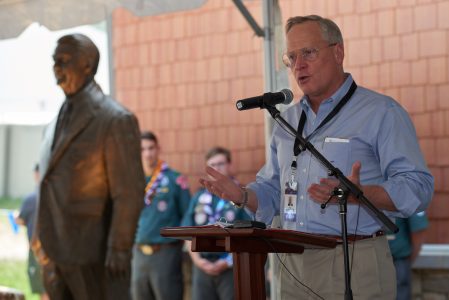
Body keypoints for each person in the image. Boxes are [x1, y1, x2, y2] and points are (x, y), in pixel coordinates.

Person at [200, 15, 434, 299]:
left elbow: (418, 187)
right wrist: (242, 195)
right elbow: (273, 189)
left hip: (353, 261)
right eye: (292, 57)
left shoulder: (381, 113)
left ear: (338, 52)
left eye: (309, 52)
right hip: (292, 264)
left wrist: (361, 193)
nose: (299, 65)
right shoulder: (286, 122)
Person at [35, 33, 145, 300]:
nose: (56, 68)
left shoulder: (115, 119)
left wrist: (119, 248)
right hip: (56, 250)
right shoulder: (56, 120)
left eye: (63, 60)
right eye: (53, 61)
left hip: (93, 252)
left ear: (86, 64)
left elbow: (129, 191)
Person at [182, 146, 251, 300]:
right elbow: (188, 233)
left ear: (230, 166)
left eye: (220, 164)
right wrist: (199, 262)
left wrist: (227, 262)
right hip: (202, 267)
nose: (216, 168)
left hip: (231, 267)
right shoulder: (198, 198)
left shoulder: (241, 197)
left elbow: (249, 236)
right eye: (212, 165)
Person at [131, 131, 191, 300]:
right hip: (138, 253)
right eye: (143, 149)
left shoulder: (175, 180)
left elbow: (187, 215)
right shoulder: (131, 181)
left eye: (151, 148)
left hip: (165, 253)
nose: (147, 153)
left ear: (158, 149)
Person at [15, 164, 49, 300]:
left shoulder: (31, 199)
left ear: (37, 174)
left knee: (44, 289)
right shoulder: (60, 199)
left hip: (37, 249)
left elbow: (20, 220)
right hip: (58, 249)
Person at [388, 212, 429, 300]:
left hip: (399, 260)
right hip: (373, 258)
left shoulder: (411, 199)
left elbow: (419, 231)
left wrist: (410, 258)